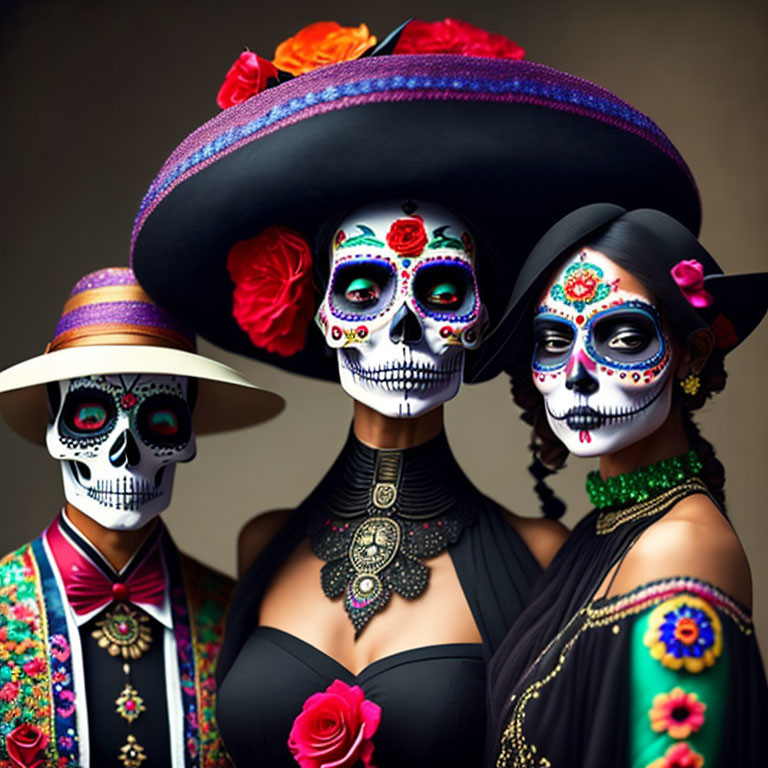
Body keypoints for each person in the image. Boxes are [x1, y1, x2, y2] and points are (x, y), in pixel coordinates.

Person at [129, 18, 702, 768]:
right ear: (321, 314)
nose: (402, 331)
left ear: (485, 318)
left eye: (440, 290)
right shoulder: (263, 543)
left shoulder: (544, 559)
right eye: (363, 290)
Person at [485, 204, 768, 767]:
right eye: (554, 340)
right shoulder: (599, 532)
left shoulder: (681, 546)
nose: (579, 373)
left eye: (622, 336)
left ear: (693, 351)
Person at [0, 267, 283, 767]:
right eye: (91, 418)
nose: (125, 453)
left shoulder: (234, 620)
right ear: (54, 427)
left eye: (161, 420)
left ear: (188, 436)